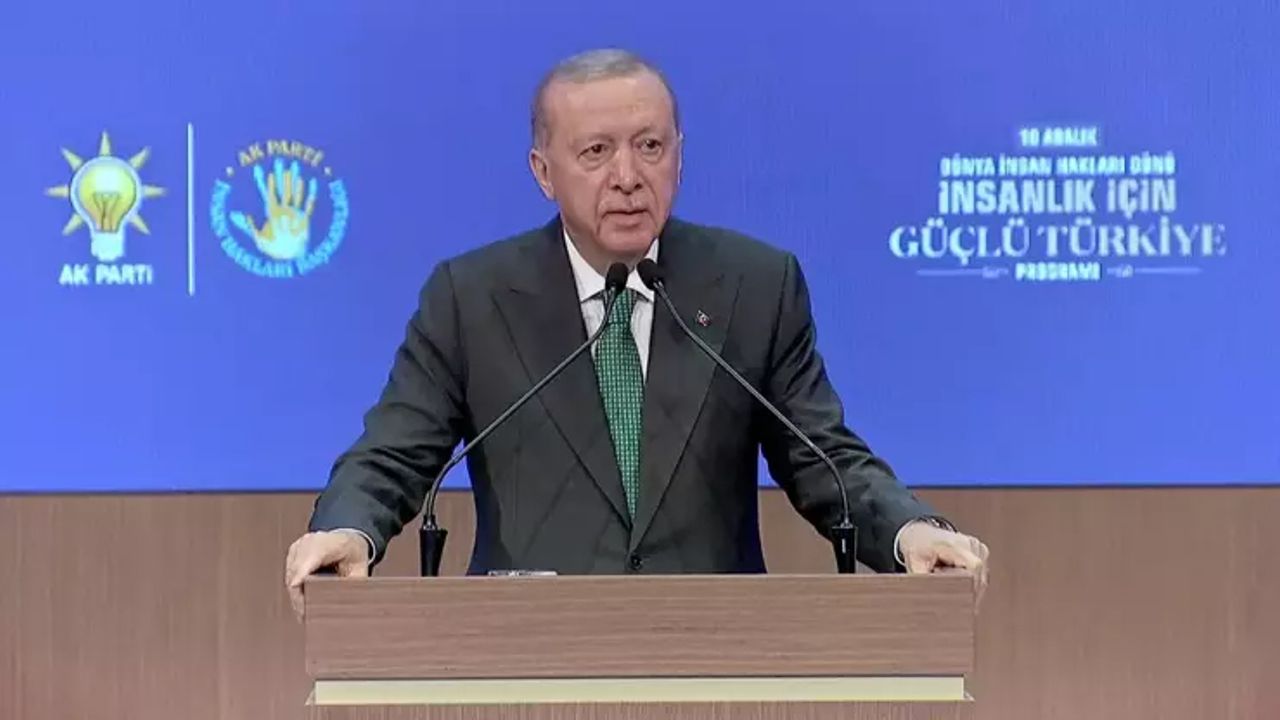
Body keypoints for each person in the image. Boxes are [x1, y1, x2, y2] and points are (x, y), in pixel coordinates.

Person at [285, 48, 989, 617]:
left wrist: (909, 531)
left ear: (679, 155)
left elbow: (823, 458)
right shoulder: (471, 298)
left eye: (650, 146)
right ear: (543, 173)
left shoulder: (753, 285)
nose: (628, 176)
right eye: (595, 152)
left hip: (717, 651)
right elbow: (394, 453)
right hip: (526, 650)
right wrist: (349, 529)